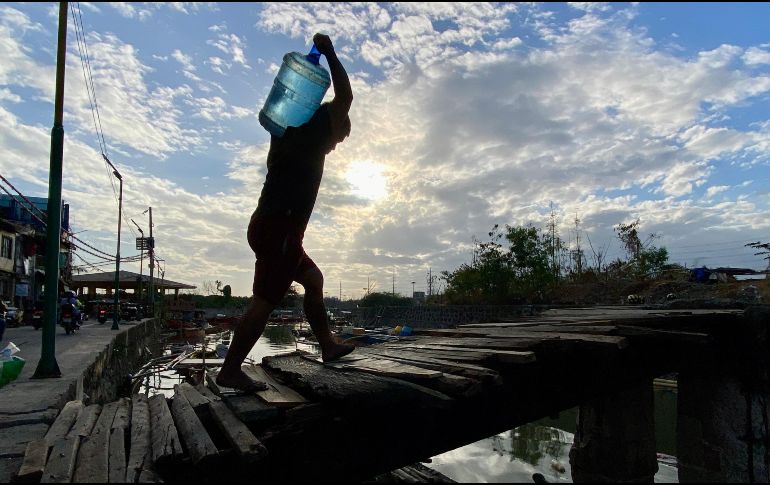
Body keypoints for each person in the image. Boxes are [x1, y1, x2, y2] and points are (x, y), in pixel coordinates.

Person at [217, 33, 355, 392]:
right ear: (332, 125)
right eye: (341, 136)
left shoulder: (288, 130)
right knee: (265, 300)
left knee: (314, 280)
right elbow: (346, 96)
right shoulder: (312, 132)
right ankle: (230, 370)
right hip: (278, 228)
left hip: (277, 228)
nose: (338, 144)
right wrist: (329, 52)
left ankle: (327, 346)